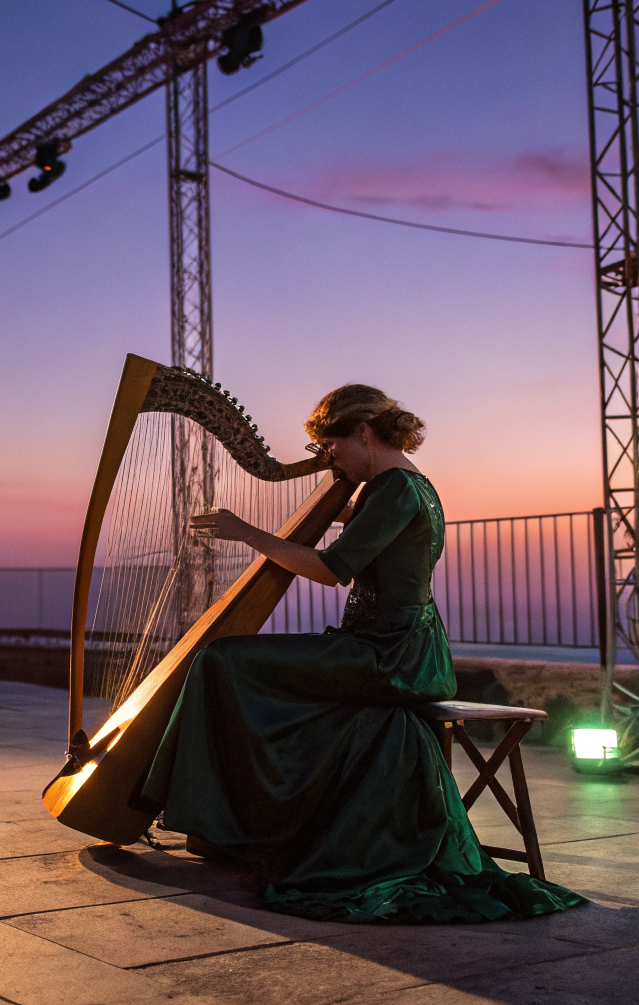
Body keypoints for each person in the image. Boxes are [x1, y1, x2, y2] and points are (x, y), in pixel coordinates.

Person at [142, 386, 586, 924]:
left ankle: (229, 825)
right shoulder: (407, 487)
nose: (328, 461)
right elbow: (360, 533)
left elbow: (333, 570)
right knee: (240, 667)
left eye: (331, 447)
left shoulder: (394, 488)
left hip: (389, 655)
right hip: (395, 647)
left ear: (364, 433)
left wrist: (245, 532)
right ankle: (248, 823)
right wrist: (336, 511)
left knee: (222, 661)